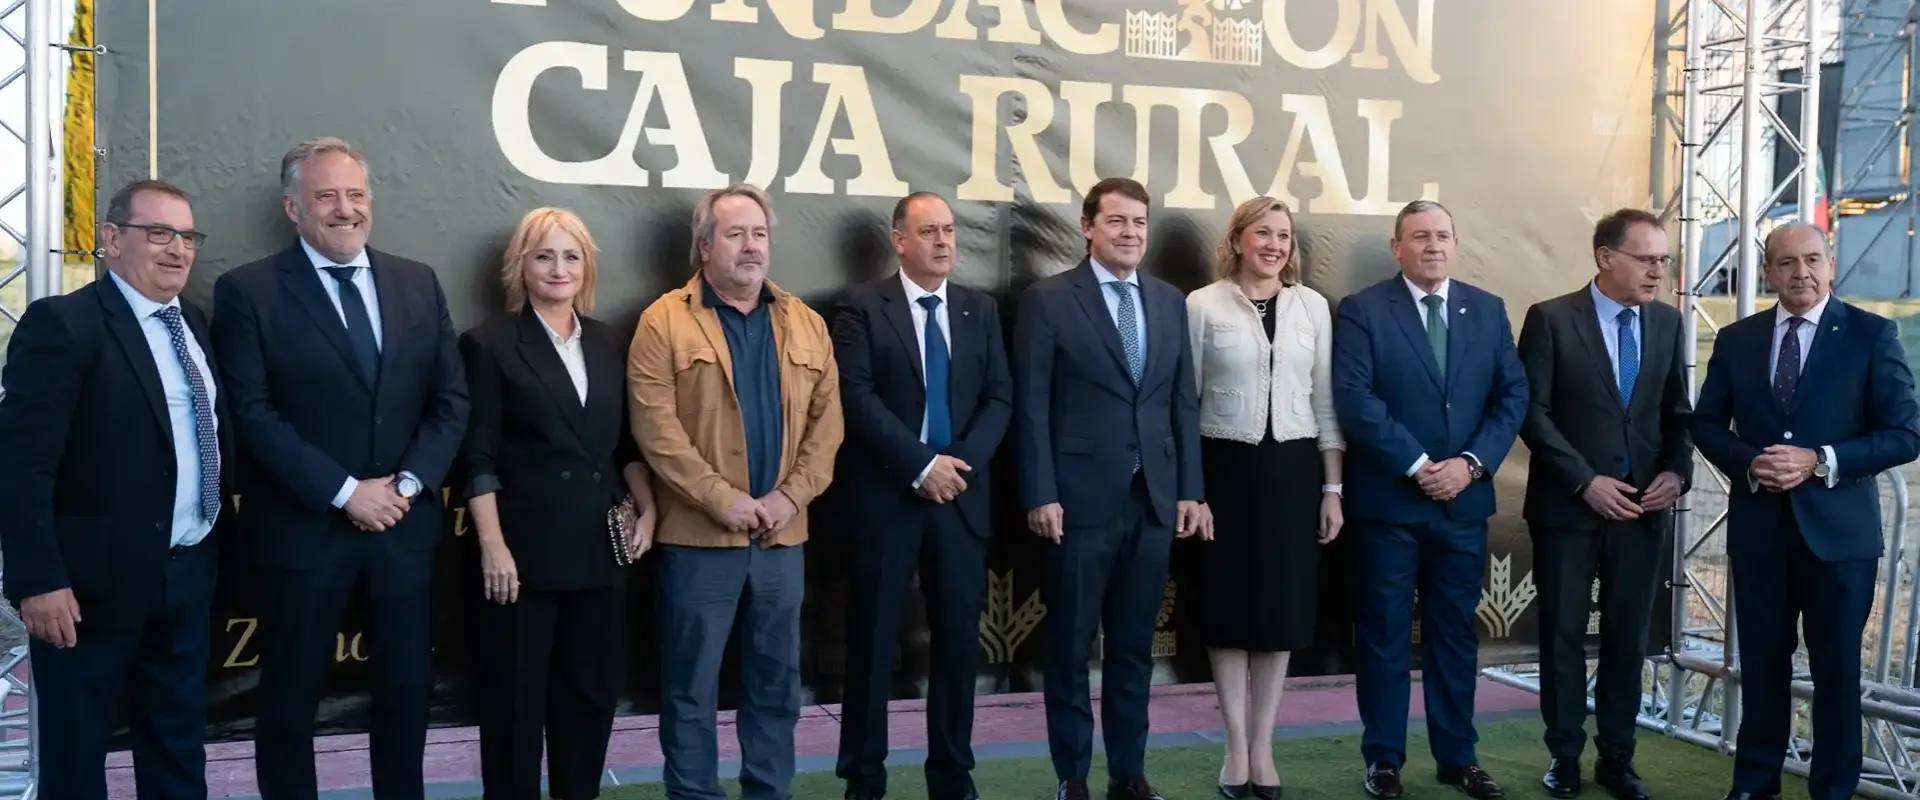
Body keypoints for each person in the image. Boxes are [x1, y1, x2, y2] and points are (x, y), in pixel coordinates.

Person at [213, 137, 470, 800]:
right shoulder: (248, 291)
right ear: (294, 207)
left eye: (355, 195)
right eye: (326, 195)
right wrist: (345, 491)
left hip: (403, 531)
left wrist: (407, 486)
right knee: (289, 702)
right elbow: (252, 411)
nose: (344, 208)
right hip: (303, 534)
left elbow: (450, 402)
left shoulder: (418, 282)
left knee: (406, 696)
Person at [0, 179, 225, 800]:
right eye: (159, 233)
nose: (177, 250)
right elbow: (21, 466)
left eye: (187, 236)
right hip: (85, 594)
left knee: (178, 753)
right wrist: (38, 581)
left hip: (184, 579)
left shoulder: (195, 325)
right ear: (111, 239)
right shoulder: (64, 325)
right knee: (76, 764)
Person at [626, 183, 844, 800]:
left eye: (760, 234)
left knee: (776, 686)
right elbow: (655, 427)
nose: (751, 247)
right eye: (735, 233)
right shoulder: (662, 321)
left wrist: (787, 498)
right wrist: (721, 499)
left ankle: (768, 792)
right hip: (698, 541)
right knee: (690, 689)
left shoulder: (805, 322)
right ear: (703, 245)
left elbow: (828, 430)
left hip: (782, 540)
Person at [1690, 222, 1920, 800]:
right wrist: (1750, 462)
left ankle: (1833, 791)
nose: (1801, 273)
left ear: (1831, 262)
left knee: (1837, 674)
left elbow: (1905, 433)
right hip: (1760, 533)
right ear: (1767, 271)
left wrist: (1819, 459)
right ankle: (1753, 786)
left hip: (1841, 541)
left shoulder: (1871, 335)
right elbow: (1707, 424)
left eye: (1812, 259)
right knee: (1763, 667)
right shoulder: (1739, 339)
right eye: (1787, 262)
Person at [1013, 177, 1209, 800]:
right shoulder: (1048, 300)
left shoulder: (1168, 301)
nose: (1130, 234)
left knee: (1133, 650)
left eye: (1139, 224)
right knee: (1070, 649)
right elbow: (1031, 407)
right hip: (1074, 504)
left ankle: (1129, 773)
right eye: (1118, 222)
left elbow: (1182, 403)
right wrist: (1039, 491)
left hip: (1151, 502)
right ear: (1087, 226)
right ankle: (1072, 775)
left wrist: (1189, 491)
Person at [458, 207, 659, 800]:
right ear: (521, 264)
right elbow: (477, 458)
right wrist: (493, 547)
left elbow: (625, 446)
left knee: (590, 702)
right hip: (521, 562)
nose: (558, 267)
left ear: (587, 266)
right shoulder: (488, 345)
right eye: (544, 254)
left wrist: (648, 508)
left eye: (571, 255)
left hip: (599, 557)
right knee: (515, 709)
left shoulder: (606, 342)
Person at [1331, 200, 1527, 800]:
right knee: (1385, 635)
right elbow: (1355, 399)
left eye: (1442, 235)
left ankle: (1457, 757)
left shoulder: (1487, 310)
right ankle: (1384, 759)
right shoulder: (1363, 311)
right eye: (1420, 237)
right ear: (1398, 247)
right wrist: (1420, 466)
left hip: (1462, 507)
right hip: (1390, 506)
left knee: (1454, 637)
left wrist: (1468, 466)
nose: (1433, 246)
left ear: (1455, 243)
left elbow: (1511, 395)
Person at [831, 191, 1012, 800]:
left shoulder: (978, 310)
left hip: (958, 500)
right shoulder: (861, 306)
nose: (943, 242)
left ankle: (953, 775)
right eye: (928, 231)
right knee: (874, 645)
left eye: (950, 231)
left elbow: (999, 398)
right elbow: (855, 397)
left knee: (959, 646)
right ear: (899, 240)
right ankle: (863, 777)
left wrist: (955, 467)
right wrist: (920, 465)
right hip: (889, 497)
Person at [1516, 209, 1692, 800]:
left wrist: (1677, 470)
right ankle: (1564, 755)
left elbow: (1677, 415)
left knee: (1628, 637)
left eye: (1663, 259)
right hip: (1569, 510)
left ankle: (1618, 757)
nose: (1657, 271)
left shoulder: (1668, 323)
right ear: (1605, 257)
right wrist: (1584, 480)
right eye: (1646, 259)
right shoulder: (1550, 318)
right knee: (1562, 636)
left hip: (1643, 510)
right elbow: (1531, 414)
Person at [1185, 196, 1344, 800]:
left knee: (1279, 612)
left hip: (1293, 472)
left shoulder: (1312, 307)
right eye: (1262, 233)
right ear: (1238, 239)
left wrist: (1332, 488)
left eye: (1283, 235)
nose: (1274, 245)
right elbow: (1185, 402)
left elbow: (1326, 402)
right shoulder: (1202, 303)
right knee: (1228, 610)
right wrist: (1192, 491)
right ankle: (1233, 746)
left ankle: (1264, 746)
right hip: (1223, 470)